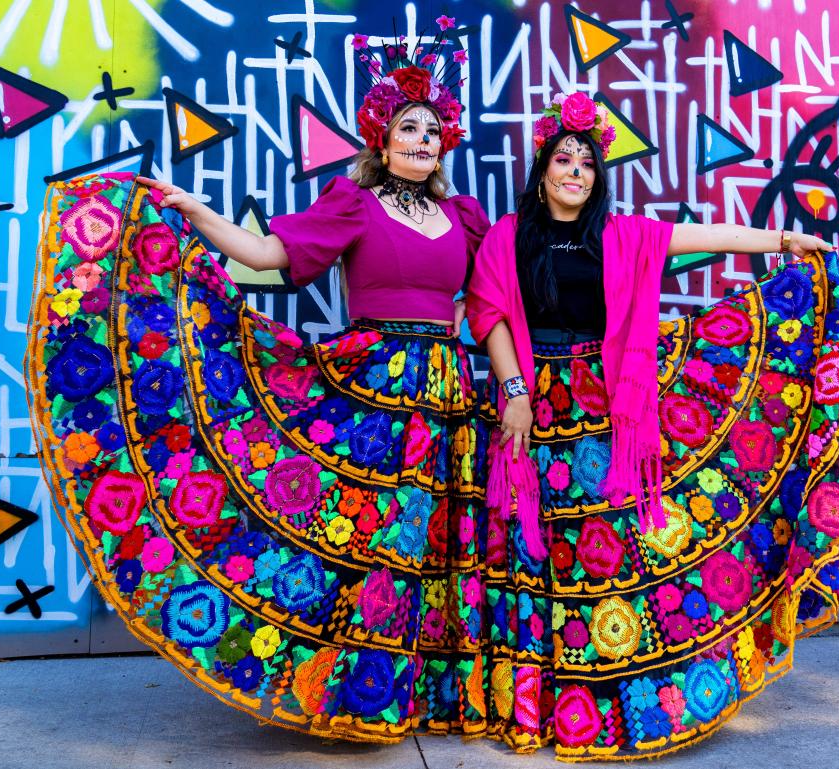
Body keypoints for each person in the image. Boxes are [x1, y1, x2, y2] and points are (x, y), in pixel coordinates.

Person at [26, 29, 493, 743]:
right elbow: (271, 254)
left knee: (442, 545)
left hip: (450, 393)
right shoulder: (353, 204)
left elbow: (499, 296)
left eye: (433, 128)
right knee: (373, 543)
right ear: (382, 139)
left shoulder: (463, 218)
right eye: (409, 127)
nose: (424, 138)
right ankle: (363, 692)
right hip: (376, 391)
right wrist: (198, 214)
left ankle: (437, 692)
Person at [466, 91, 839, 760]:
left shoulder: (621, 235)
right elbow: (488, 313)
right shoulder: (509, 236)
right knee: (532, 554)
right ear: (542, 171)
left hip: (605, 414)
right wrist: (514, 388)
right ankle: (535, 704)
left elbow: (712, 236)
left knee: (603, 553)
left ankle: (609, 707)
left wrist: (784, 241)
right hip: (530, 411)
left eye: (587, 164)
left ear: (597, 178)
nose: (575, 171)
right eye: (563, 159)